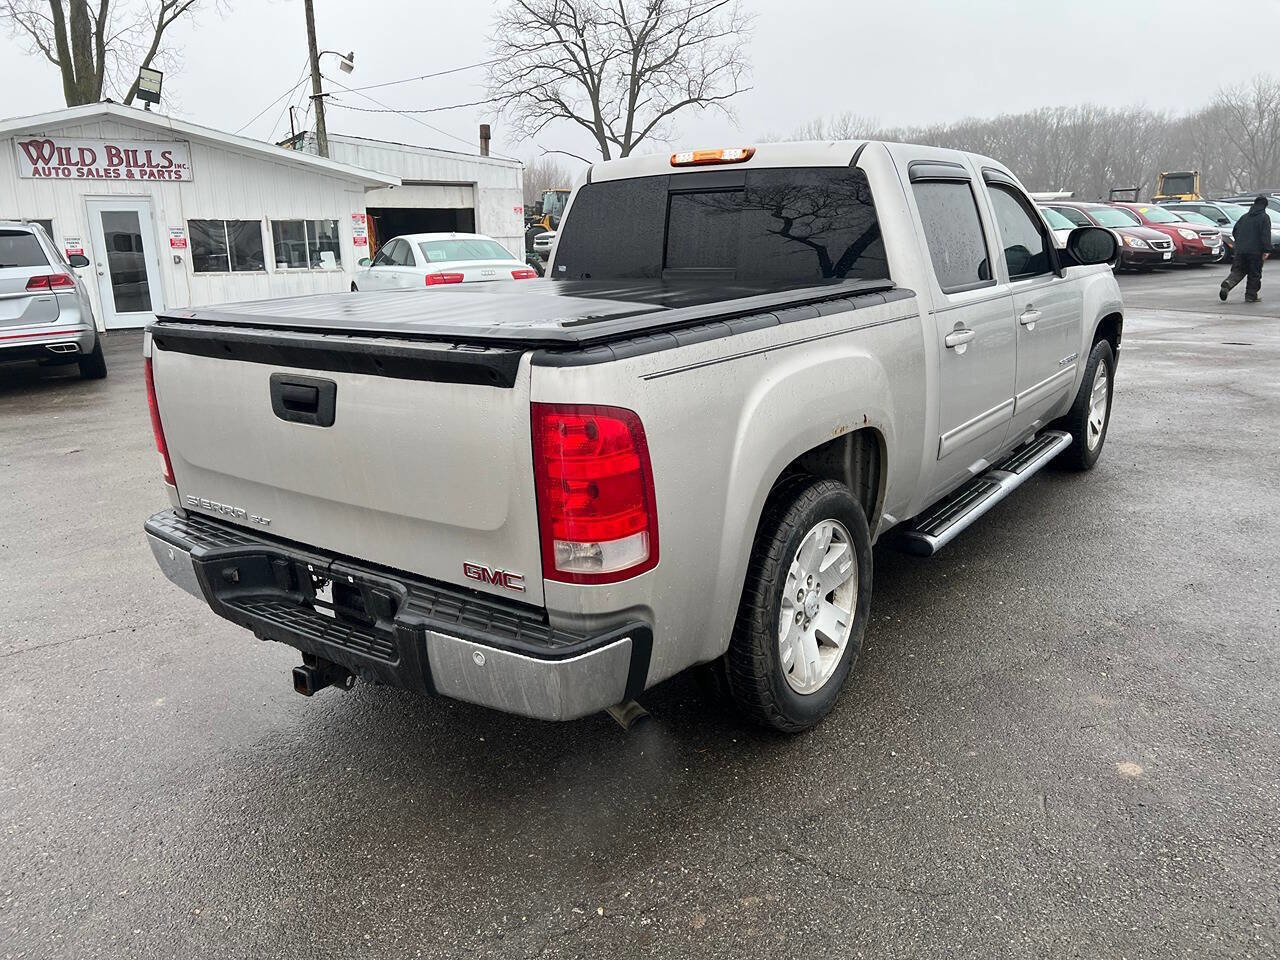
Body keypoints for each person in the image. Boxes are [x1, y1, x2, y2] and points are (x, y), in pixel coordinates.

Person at [1220, 197, 1273, 303]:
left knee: (1238, 270)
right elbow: (1265, 235)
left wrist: (1240, 243)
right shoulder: (1264, 217)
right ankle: (1251, 296)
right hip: (1255, 251)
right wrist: (1267, 250)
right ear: (1264, 206)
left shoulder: (1244, 217)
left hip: (1240, 250)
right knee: (1254, 273)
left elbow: (1235, 231)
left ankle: (1228, 283)